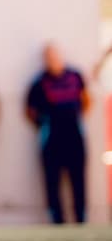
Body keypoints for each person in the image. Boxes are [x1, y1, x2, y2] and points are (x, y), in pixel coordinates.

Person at [26, 42, 91, 224]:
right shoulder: (39, 83)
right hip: (52, 138)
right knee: (52, 181)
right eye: (48, 57)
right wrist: (43, 124)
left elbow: (86, 100)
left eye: (55, 56)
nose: (52, 60)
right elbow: (30, 111)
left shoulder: (75, 76)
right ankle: (57, 220)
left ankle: (81, 218)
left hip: (74, 136)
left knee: (78, 179)